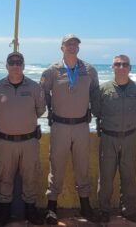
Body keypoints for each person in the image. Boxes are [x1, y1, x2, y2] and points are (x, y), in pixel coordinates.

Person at [40, 34, 100, 224]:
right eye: (68, 44)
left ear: (79, 48)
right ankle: (51, 208)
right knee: (56, 166)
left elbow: (95, 94)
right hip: (60, 126)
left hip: (82, 126)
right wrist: (52, 111)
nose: (72, 46)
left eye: (75, 44)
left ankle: (85, 207)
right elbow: (44, 95)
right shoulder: (51, 71)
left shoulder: (89, 70)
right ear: (62, 47)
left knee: (82, 166)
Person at [0, 51, 46, 227]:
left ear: (23, 65)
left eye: (18, 62)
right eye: (11, 62)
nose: (15, 65)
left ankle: (30, 211)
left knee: (30, 176)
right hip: (6, 142)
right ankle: (4, 213)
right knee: (4, 177)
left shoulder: (35, 88)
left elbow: (40, 110)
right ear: (6, 66)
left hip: (29, 141)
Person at [94, 55, 136, 223]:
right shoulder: (103, 89)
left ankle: (129, 209)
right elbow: (97, 110)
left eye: (125, 64)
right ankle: (104, 210)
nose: (121, 67)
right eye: (117, 64)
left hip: (129, 137)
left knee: (129, 176)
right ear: (112, 67)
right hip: (108, 137)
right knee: (106, 177)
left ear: (130, 68)